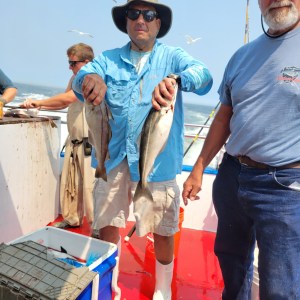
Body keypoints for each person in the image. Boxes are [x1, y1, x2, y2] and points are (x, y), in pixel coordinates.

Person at [72, 1, 212, 299]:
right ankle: (110, 283)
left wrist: (177, 79)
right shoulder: (107, 60)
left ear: (158, 23)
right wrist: (89, 79)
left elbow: (204, 77)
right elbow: (79, 81)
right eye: (133, 14)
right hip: (112, 161)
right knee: (108, 223)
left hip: (157, 163)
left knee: (163, 226)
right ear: (125, 21)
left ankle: (162, 288)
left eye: (149, 15)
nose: (141, 19)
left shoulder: (173, 56)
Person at [182, 0, 300, 299]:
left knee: (281, 286)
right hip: (232, 175)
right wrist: (198, 168)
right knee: (231, 265)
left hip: (284, 186)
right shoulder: (241, 56)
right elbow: (224, 116)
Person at [22, 43, 95, 231]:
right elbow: (63, 104)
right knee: (71, 184)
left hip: (90, 144)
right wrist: (40, 107)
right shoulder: (75, 78)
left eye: (73, 63)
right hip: (74, 140)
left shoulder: (90, 78)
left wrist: (38, 101)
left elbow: (69, 99)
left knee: (90, 189)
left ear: (86, 62)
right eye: (69, 63)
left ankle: (97, 228)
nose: (70, 67)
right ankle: (72, 220)